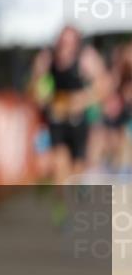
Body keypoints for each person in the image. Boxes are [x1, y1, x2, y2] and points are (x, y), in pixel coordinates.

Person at [28, 26, 110, 184]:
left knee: (78, 168)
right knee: (59, 162)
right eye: (63, 42)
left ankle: (73, 201)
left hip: (78, 121)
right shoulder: (48, 58)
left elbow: (104, 85)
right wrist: (44, 95)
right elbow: (34, 88)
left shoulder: (86, 57)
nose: (66, 46)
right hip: (57, 119)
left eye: (70, 42)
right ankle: (61, 204)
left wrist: (82, 99)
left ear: (77, 42)